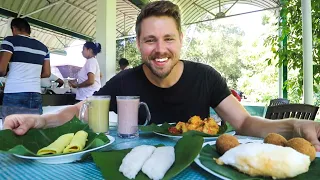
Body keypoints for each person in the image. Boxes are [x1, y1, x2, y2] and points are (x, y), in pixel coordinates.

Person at [3, 1, 320, 151]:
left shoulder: (206, 77)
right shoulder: (125, 82)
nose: (160, 49)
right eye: (150, 40)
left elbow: (246, 124)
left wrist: (294, 125)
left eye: (168, 38)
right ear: (139, 44)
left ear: (181, 39)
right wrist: (39, 120)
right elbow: (81, 111)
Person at [0, 18, 50, 116]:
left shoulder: (10, 41)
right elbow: (47, 73)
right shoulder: (43, 47)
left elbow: (1, 70)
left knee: (11, 128)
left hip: (14, 92)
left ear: (14, 28)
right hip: (35, 93)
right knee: (33, 128)